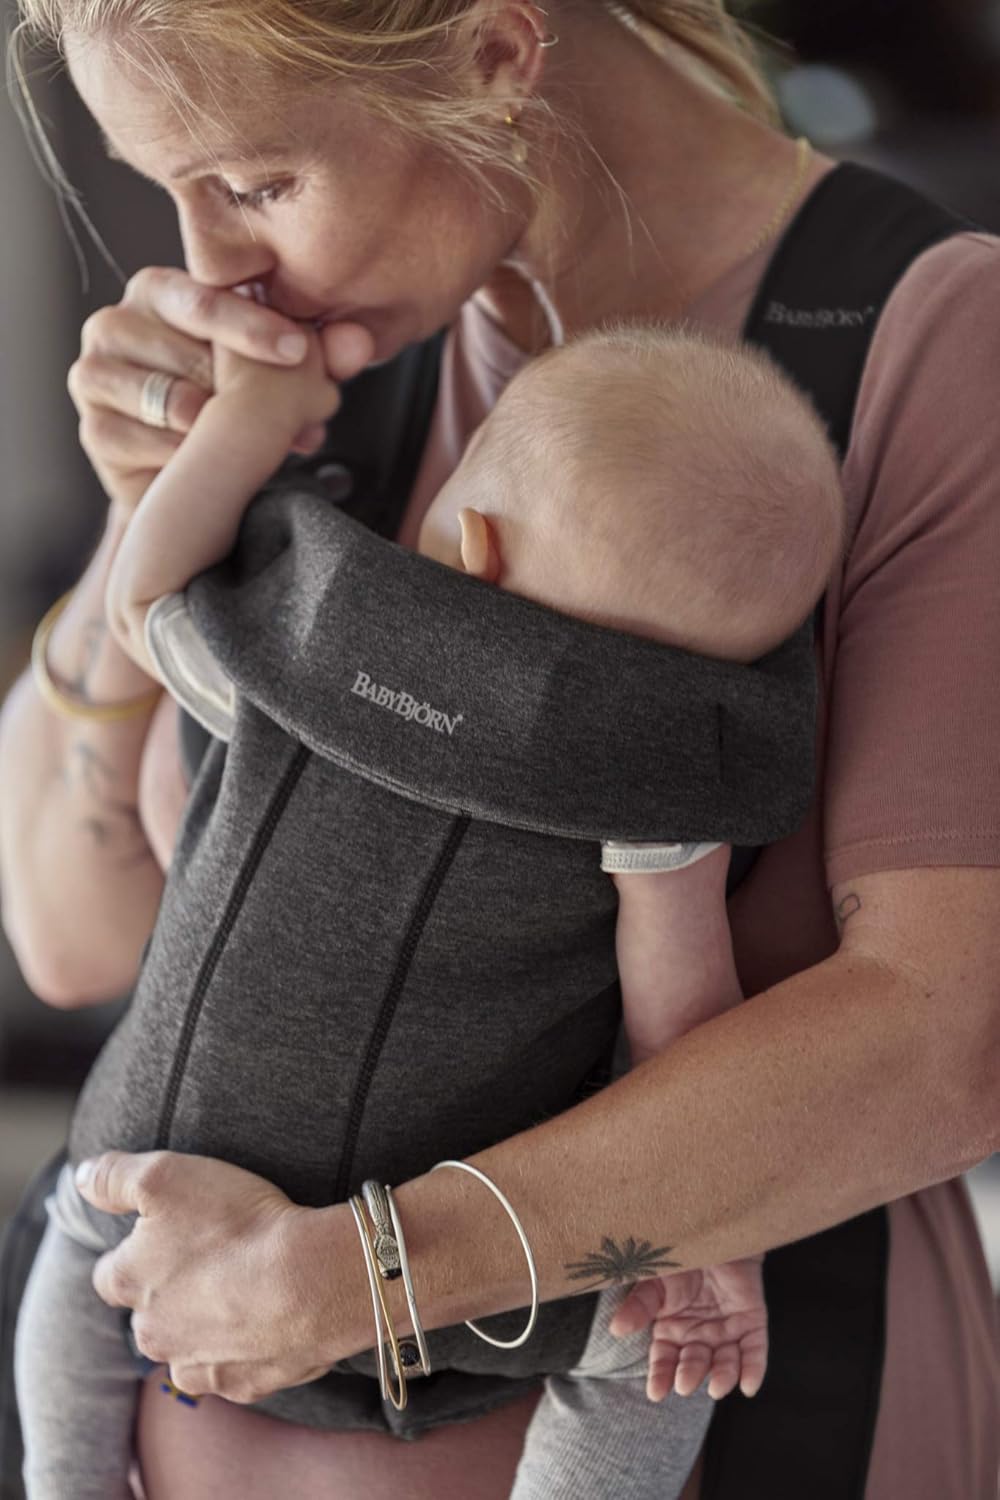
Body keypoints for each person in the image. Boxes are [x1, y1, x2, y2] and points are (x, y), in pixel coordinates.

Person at [0, 0, 996, 1495]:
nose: (210, 265)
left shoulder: (926, 339)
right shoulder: (319, 368)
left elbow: (944, 1041)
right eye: (175, 192)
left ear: (492, 57)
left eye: (256, 183)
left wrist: (363, 1275)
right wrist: (140, 513)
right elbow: (73, 942)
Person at [14, 319, 843, 1500]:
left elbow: (148, 592)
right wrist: (711, 1239)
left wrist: (250, 420)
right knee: (652, 1352)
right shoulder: (659, 780)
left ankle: (67, 1478)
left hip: (162, 1161)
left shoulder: (319, 640)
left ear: (474, 540)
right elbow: (682, 1022)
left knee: (77, 1233)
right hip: (467, 1263)